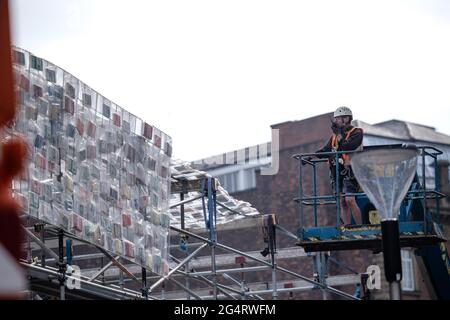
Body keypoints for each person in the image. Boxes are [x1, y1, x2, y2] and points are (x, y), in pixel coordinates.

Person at [316, 106, 363, 225]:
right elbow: (325, 150)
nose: (337, 121)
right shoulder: (334, 137)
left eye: (339, 118)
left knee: (350, 199)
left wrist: (340, 135)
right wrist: (311, 157)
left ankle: (360, 227)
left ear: (347, 119)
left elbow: (348, 147)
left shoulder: (357, 132)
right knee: (342, 201)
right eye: (336, 119)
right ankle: (346, 227)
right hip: (336, 172)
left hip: (350, 171)